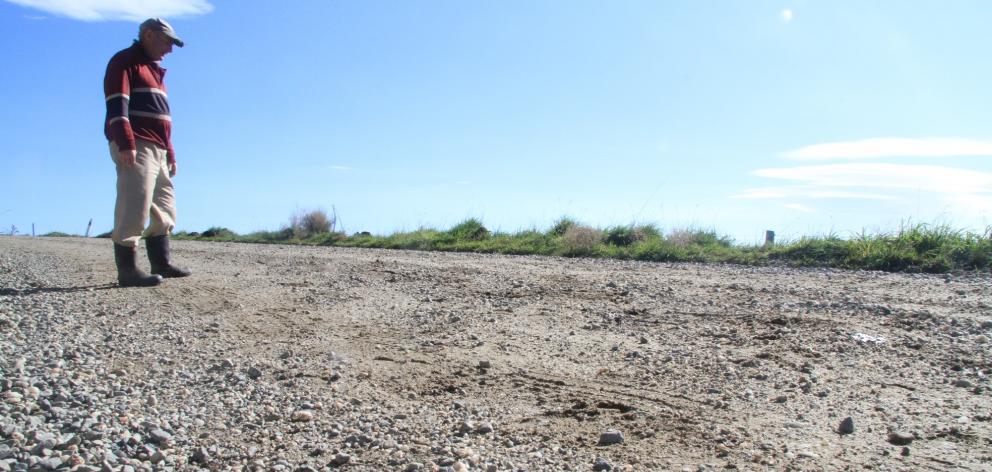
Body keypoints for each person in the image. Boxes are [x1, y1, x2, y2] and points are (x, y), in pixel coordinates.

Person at [104, 18, 191, 287]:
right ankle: (128, 271)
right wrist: (126, 142)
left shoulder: (154, 72)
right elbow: (117, 106)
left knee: (164, 206)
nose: (170, 49)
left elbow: (162, 119)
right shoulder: (125, 62)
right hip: (137, 143)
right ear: (149, 35)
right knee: (135, 204)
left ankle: (161, 262)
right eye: (168, 41)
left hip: (159, 148)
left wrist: (171, 152)